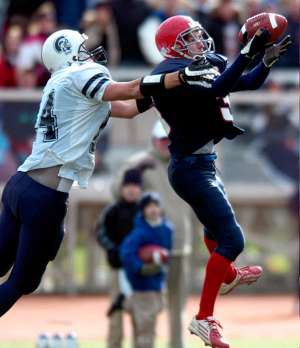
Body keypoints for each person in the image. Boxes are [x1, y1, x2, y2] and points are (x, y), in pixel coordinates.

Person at [0, 27, 207, 317]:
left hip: (21, 186)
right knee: (22, 282)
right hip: (44, 195)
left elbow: (130, 107)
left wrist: (168, 85)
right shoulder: (78, 74)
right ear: (68, 53)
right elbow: (132, 89)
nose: (89, 52)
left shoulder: (61, 83)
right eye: (82, 48)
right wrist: (179, 76)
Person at [151, 15, 292, 348]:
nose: (200, 41)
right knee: (233, 239)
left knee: (216, 232)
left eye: (199, 35)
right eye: (190, 38)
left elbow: (243, 82)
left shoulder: (205, 62)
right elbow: (218, 87)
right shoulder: (171, 74)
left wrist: (265, 62)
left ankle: (228, 276)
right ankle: (203, 318)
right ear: (173, 48)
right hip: (189, 168)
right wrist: (246, 53)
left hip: (204, 163)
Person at [114, 120, 193, 348]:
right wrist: (135, 170)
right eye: (161, 139)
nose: (165, 144)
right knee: (146, 303)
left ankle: (177, 345)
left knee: (178, 305)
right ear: (153, 140)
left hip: (179, 245)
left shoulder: (186, 161)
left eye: (169, 139)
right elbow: (116, 191)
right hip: (147, 248)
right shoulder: (140, 163)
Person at [95, 169, 143, 348]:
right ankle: (114, 344)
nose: (131, 190)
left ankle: (141, 344)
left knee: (139, 312)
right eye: (128, 186)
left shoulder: (145, 211)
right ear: (122, 188)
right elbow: (100, 233)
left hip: (139, 270)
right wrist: (112, 249)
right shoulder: (112, 210)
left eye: (135, 186)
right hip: (117, 268)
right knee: (116, 312)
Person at [120, 192, 173, 348]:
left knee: (145, 327)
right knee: (145, 330)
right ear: (142, 210)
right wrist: (141, 268)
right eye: (148, 206)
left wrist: (162, 261)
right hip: (142, 287)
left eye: (155, 205)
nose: (153, 209)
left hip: (157, 283)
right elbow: (126, 254)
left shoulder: (167, 229)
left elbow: (166, 253)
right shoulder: (139, 232)